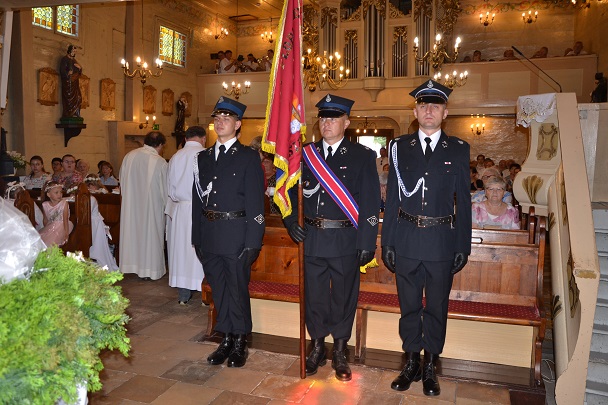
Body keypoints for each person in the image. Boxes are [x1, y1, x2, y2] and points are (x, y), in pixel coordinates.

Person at [381, 80, 472, 396]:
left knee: (436, 307)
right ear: (416, 111)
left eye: (435, 106)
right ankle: (411, 362)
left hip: (441, 241)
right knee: (408, 306)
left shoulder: (458, 149)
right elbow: (393, 198)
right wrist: (387, 241)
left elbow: (464, 201)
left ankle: (430, 365)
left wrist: (462, 245)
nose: (429, 110)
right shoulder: (399, 147)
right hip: (406, 239)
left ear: (445, 113)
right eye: (423, 105)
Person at [283, 94, 380, 381]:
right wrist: (291, 220)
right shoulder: (305, 154)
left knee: (343, 297)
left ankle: (339, 350)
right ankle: (316, 347)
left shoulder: (362, 156)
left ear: (346, 123)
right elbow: (288, 192)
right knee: (313, 297)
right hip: (311, 238)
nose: (327, 123)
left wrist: (367, 243)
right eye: (323, 118)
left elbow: (371, 203)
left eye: (334, 118)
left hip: (345, 240)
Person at [192, 97, 265, 368]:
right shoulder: (203, 158)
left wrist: (253, 241)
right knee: (219, 290)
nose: (220, 122)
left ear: (237, 124)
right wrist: (196, 237)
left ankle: (240, 341)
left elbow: (256, 202)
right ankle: (225, 339)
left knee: (236, 289)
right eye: (217, 118)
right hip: (210, 234)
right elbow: (197, 200)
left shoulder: (247, 157)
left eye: (226, 118)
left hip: (236, 234)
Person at [166, 125, 206, 305]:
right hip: (201, 209)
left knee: (181, 251)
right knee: (199, 251)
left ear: (186, 138)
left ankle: (183, 294)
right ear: (203, 138)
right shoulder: (206, 154)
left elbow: (170, 188)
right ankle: (204, 293)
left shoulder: (176, 157)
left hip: (181, 210)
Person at [119, 131, 168, 281]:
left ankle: (131, 266)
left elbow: (121, 180)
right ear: (160, 145)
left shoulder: (129, 156)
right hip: (151, 208)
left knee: (132, 234)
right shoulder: (159, 162)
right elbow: (165, 190)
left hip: (131, 205)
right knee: (150, 236)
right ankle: (150, 270)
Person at [84, 174, 119, 271]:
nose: (89, 188)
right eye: (88, 186)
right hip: (91, 221)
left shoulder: (100, 193)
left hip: (96, 223)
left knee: (97, 245)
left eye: (91, 185)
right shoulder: (86, 196)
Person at [39, 181, 73, 247]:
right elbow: (45, 220)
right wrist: (47, 229)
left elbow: (65, 220)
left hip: (62, 226)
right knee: (42, 240)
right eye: (56, 192)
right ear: (48, 194)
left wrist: (66, 234)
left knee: (52, 242)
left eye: (61, 192)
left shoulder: (64, 203)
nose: (59, 194)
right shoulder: (45, 204)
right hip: (51, 226)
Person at [59, 44, 83, 118]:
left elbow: (79, 72)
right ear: (69, 51)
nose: (74, 53)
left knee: (79, 97)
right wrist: (68, 73)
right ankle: (69, 114)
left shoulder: (74, 60)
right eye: (73, 51)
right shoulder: (64, 59)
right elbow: (62, 71)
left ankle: (76, 114)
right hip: (68, 83)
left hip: (75, 82)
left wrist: (80, 68)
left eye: (75, 52)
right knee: (69, 98)